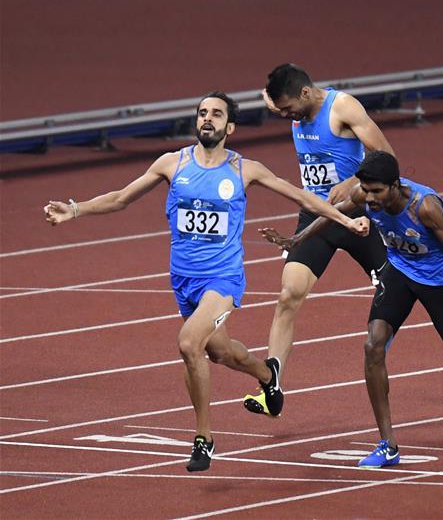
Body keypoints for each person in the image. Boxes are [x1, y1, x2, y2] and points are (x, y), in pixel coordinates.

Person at [43, 92, 369, 472]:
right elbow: (121, 198)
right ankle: (269, 378)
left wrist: (347, 221)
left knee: (188, 344)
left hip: (223, 279)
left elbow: (303, 197)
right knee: (221, 352)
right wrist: (76, 209)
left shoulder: (245, 170)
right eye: (202, 113)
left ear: (230, 127)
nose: (207, 119)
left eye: (216, 114)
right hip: (183, 280)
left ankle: (204, 438)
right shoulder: (171, 163)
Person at [259, 151, 443, 468]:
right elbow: (333, 213)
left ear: (395, 186)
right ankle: (388, 444)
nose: (371, 198)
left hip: (438, 278)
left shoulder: (424, 207)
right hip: (400, 271)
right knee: (373, 345)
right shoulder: (362, 193)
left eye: (377, 191)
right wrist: (297, 240)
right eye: (367, 190)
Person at [243, 64, 394, 417]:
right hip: (317, 217)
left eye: (288, 109)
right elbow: (272, 97)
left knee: (403, 287)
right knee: (288, 296)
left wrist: (356, 180)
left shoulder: (343, 108)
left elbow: (386, 156)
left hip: (359, 215)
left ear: (306, 94)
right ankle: (272, 387)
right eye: (280, 110)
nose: (285, 116)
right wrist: (272, 98)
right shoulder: (289, 99)